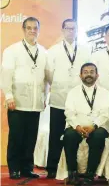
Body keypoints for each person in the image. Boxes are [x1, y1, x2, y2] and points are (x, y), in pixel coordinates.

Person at [1, 17, 48, 179]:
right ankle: (14, 168)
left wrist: (45, 96)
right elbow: (5, 75)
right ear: (23, 30)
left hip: (35, 102)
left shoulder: (43, 51)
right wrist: (8, 96)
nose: (32, 31)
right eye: (29, 28)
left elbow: (46, 77)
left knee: (30, 138)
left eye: (35, 28)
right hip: (17, 102)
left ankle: (27, 168)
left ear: (39, 30)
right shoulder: (11, 50)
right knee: (16, 137)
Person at [45, 18, 92, 178]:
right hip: (59, 99)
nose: (71, 31)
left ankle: (77, 167)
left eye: (74, 29)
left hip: (79, 101)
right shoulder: (53, 50)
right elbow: (49, 74)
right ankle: (52, 167)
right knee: (56, 133)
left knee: (75, 133)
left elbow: (88, 73)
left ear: (77, 31)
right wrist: (58, 85)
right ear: (63, 30)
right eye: (68, 28)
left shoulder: (86, 50)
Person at [62, 63, 109, 185]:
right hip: (77, 126)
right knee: (69, 136)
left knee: (98, 136)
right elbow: (69, 112)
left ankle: (90, 175)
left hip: (98, 126)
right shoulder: (73, 92)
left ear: (97, 75)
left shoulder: (104, 92)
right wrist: (77, 126)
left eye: (91, 71)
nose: (88, 74)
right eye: (85, 72)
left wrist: (93, 126)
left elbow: (106, 113)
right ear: (80, 75)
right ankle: (72, 173)